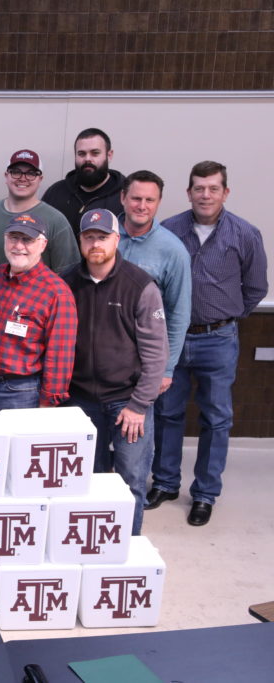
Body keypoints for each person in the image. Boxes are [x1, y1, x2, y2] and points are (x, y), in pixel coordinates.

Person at [149, 161, 269, 527]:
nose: (205, 195)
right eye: (199, 188)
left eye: (213, 188)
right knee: (167, 412)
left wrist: (226, 316)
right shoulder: (169, 230)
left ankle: (204, 493)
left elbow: (256, 289)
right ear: (188, 193)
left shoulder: (245, 234)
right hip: (174, 337)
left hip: (218, 338)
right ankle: (166, 482)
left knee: (216, 418)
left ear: (225, 193)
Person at [63, 209, 168, 536]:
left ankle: (128, 545)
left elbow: (155, 353)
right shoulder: (64, 281)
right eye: (89, 236)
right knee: (84, 481)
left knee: (131, 481)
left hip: (126, 404)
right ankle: (90, 544)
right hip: (79, 402)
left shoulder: (139, 285)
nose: (96, 243)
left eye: (102, 236)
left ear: (117, 239)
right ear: (81, 241)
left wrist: (139, 405)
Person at [0, 213, 77, 410]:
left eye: (27, 240)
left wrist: (48, 404)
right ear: (5, 239)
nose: (19, 246)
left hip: (20, 393)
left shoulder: (57, 292)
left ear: (43, 244)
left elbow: (60, 354)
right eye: (13, 237)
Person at [116, 170, 191, 398]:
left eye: (150, 200)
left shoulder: (173, 250)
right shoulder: (101, 237)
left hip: (145, 359)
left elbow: (179, 312)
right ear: (123, 198)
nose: (142, 206)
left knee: (136, 426)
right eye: (136, 198)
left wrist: (166, 369)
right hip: (101, 356)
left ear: (158, 203)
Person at [0, 149, 79, 272]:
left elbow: (68, 274)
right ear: (6, 176)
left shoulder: (56, 221)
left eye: (31, 173)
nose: (23, 178)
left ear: (40, 179)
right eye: (16, 172)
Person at [43, 127, 126, 240]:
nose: (88, 159)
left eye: (95, 153)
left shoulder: (125, 196)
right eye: (81, 154)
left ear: (109, 155)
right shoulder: (56, 192)